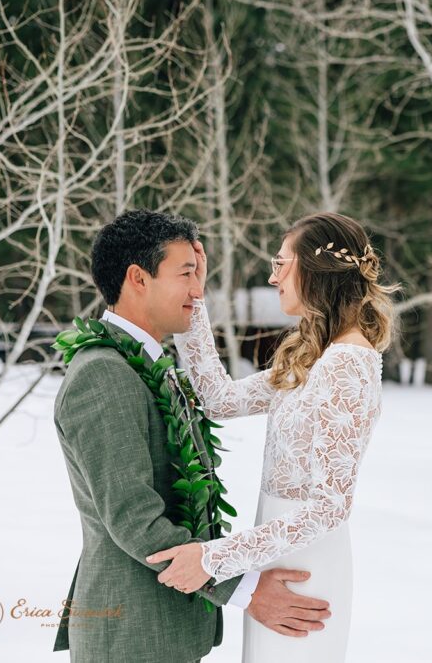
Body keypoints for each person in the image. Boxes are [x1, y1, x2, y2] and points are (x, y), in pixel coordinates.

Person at [52, 210, 332, 662]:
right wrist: (245, 590)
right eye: (186, 274)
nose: (198, 290)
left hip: (164, 630)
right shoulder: (103, 376)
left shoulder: (146, 366)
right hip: (131, 634)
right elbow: (135, 520)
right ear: (138, 278)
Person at [145, 211, 399, 662]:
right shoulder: (316, 357)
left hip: (308, 568)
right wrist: (194, 298)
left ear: (316, 270)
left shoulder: (347, 364)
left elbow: (329, 507)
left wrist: (214, 558)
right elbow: (219, 399)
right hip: (275, 552)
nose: (272, 275)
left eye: (281, 263)